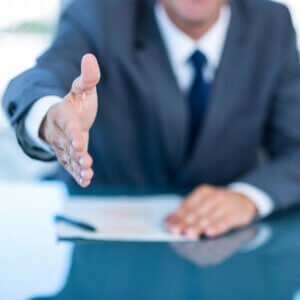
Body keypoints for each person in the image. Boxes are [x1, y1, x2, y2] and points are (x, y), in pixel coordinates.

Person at [3, 0, 300, 238]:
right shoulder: (97, 12)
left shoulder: (273, 25)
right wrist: (49, 117)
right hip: (110, 264)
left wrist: (247, 198)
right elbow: (42, 77)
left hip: (228, 256)